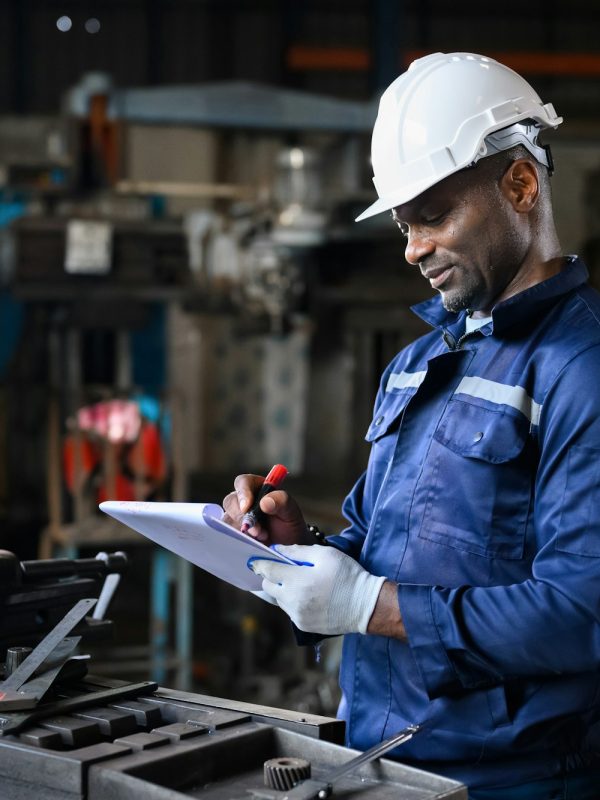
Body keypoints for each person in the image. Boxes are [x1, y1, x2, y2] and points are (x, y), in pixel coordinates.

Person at [223, 52, 600, 799]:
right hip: (379, 761)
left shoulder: (579, 370)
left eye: (433, 216)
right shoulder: (417, 363)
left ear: (520, 184)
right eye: (403, 224)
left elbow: (583, 612)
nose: (412, 249)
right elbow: (373, 543)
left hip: (515, 782)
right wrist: (302, 549)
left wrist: (370, 606)